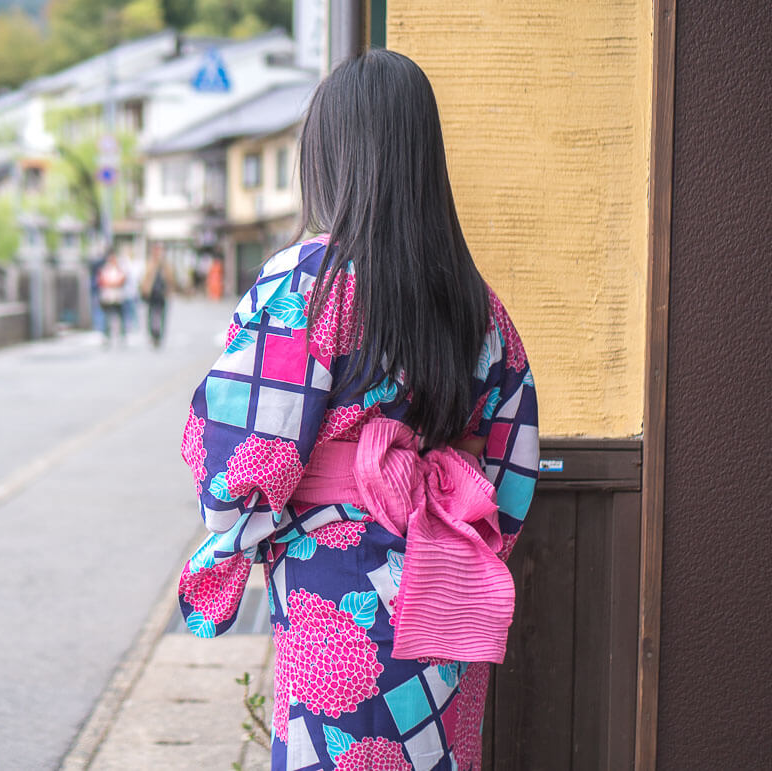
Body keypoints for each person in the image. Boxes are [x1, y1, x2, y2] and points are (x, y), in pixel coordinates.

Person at [176, 50, 539, 771]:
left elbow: (243, 451)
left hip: (333, 586)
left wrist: (236, 529)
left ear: (331, 157)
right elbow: (511, 469)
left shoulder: (307, 285)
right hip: (445, 580)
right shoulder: (479, 305)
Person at [140, 244, 175, 347]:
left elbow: (170, 278)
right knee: (151, 314)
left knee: (162, 315)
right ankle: (153, 334)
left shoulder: (165, 265)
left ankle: (159, 335)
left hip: (162, 294)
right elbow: (145, 278)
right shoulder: (150, 263)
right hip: (152, 293)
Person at [96, 251, 127, 346]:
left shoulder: (120, 269)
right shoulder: (105, 270)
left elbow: (122, 281)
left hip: (118, 297)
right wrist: (112, 283)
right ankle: (106, 336)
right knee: (106, 318)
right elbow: (101, 281)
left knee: (120, 317)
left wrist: (112, 283)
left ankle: (121, 336)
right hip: (108, 297)